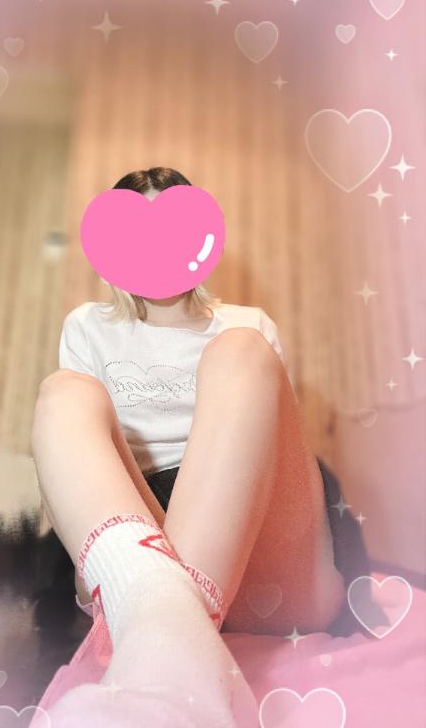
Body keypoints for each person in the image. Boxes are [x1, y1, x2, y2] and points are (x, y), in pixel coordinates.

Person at [29, 167, 347, 728]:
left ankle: (158, 630)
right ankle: (164, 623)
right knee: (62, 394)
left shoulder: (247, 325)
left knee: (241, 350)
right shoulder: (87, 327)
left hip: (260, 560)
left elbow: (274, 457)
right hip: (140, 532)